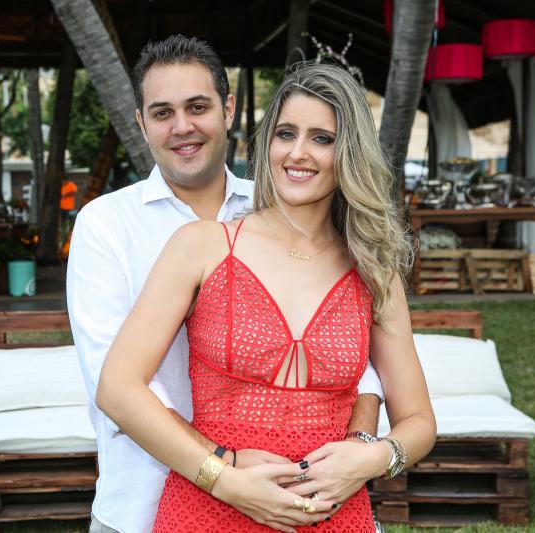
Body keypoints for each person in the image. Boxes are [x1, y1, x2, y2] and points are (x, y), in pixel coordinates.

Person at [95, 60, 436, 532]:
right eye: (285, 134)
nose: (298, 153)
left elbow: (418, 419)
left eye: (322, 138)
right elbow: (117, 388)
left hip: (333, 515)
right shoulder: (203, 246)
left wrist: (372, 458)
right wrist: (223, 478)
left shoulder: (374, 269)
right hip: (209, 512)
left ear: (350, 152)